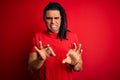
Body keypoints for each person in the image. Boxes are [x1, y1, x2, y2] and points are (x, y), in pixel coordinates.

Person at [28, 2, 83, 80]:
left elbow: (79, 68)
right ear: (44, 19)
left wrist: (75, 64)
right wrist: (40, 60)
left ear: (61, 18)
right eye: (49, 18)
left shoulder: (72, 37)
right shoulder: (38, 37)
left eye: (56, 18)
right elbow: (31, 68)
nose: (53, 22)